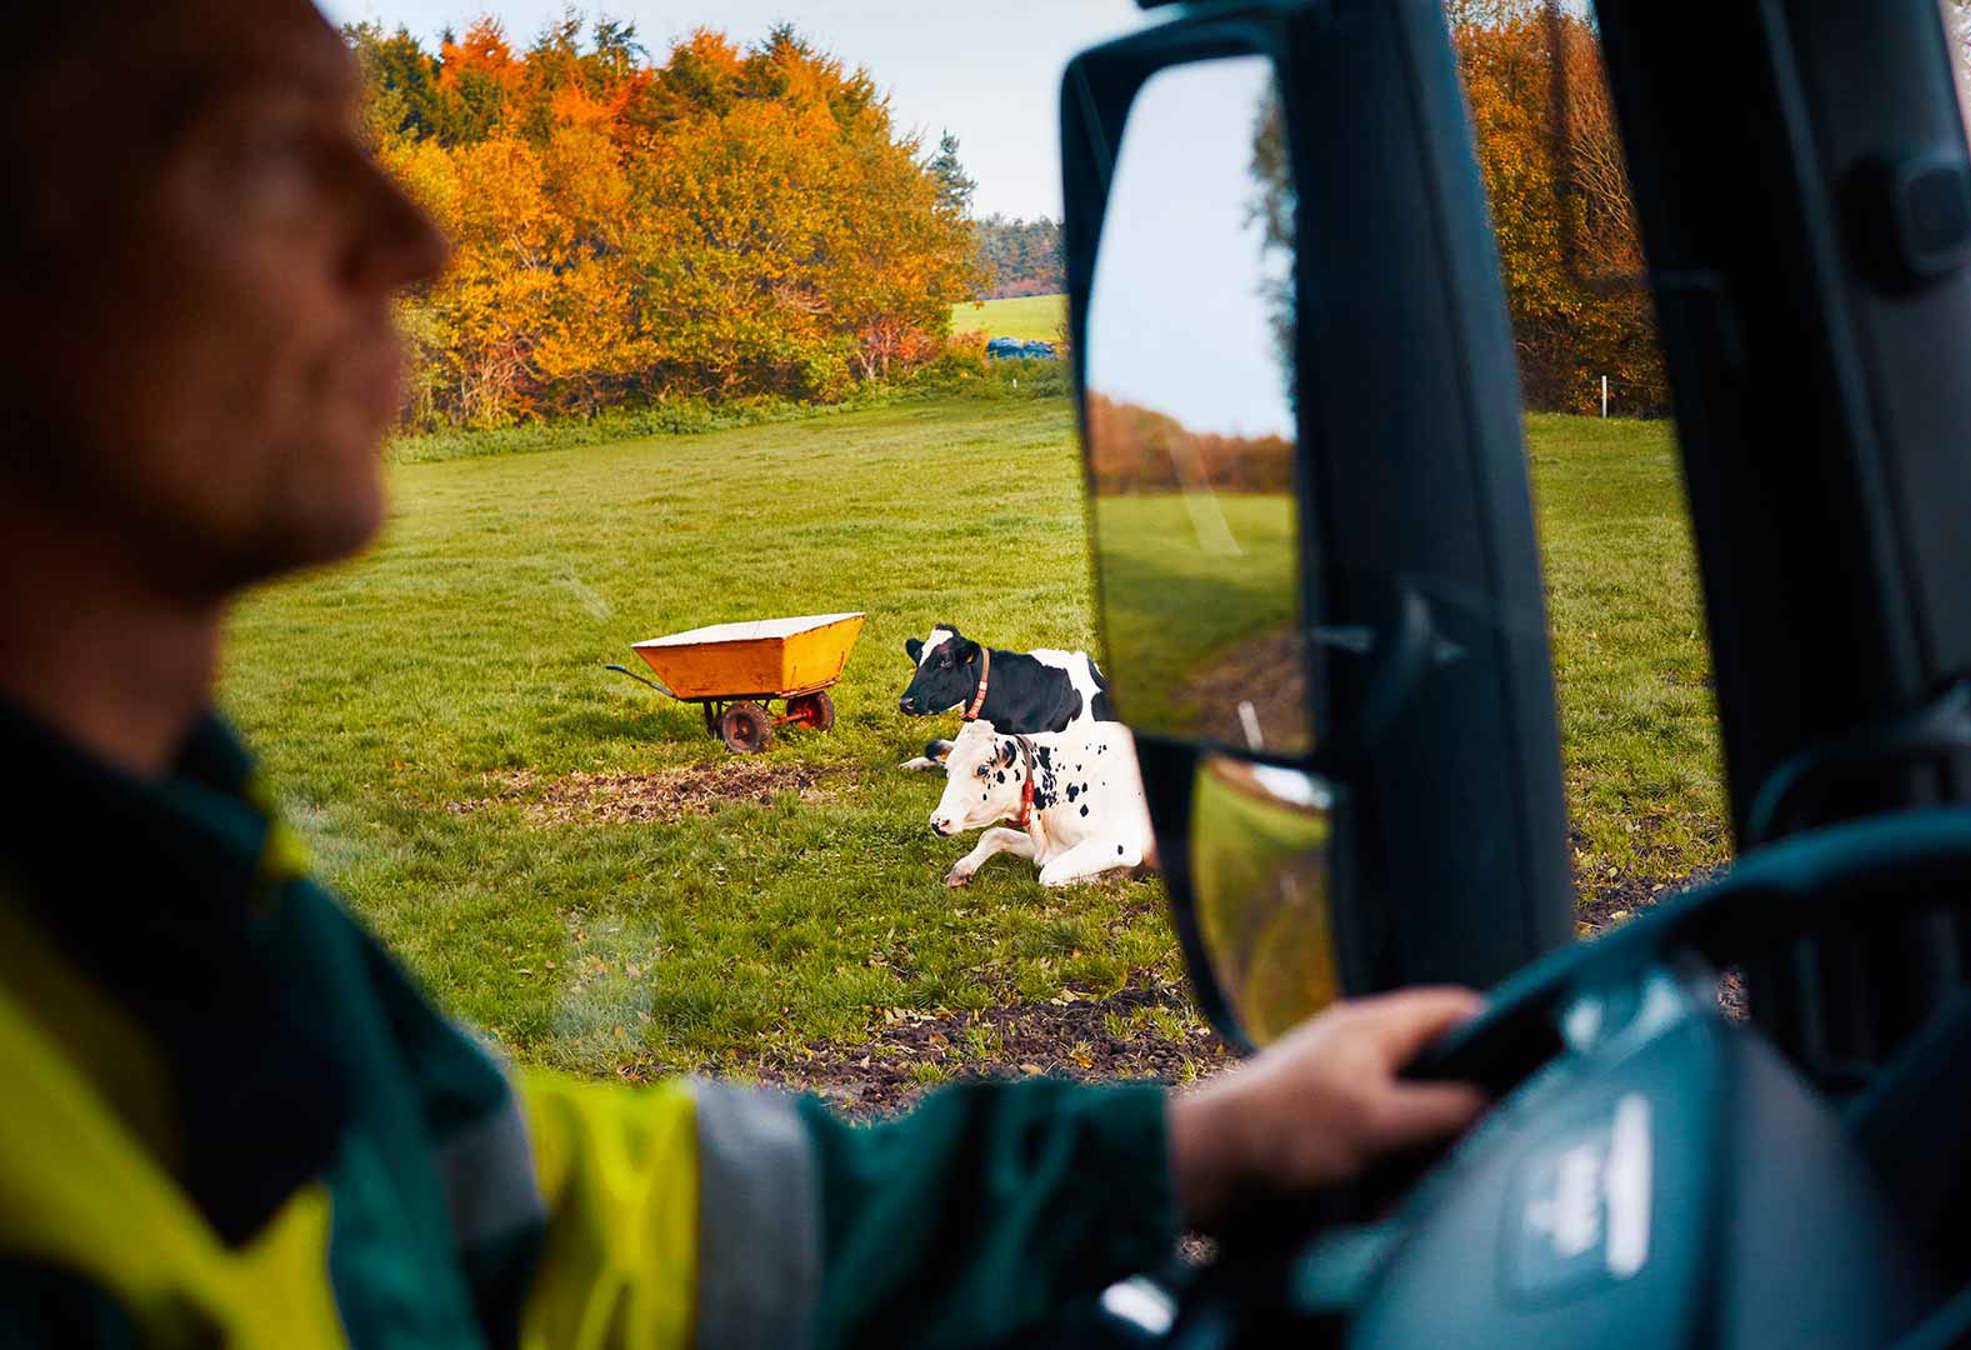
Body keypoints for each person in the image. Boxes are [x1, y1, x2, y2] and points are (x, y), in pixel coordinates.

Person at [0, 3, 1488, 1345]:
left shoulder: (167, 880)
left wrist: (1183, 1153)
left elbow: (579, 1225)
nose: (414, 239)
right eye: (269, 148)